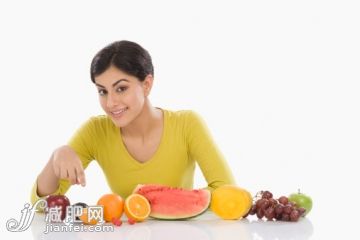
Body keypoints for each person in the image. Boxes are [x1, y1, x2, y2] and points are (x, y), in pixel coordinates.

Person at [31, 40, 235, 204]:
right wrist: (57, 155)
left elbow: (226, 190)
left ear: (146, 85)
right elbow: (40, 205)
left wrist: (176, 201)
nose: (111, 103)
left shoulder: (187, 124)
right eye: (103, 91)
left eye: (121, 88)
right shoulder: (95, 131)